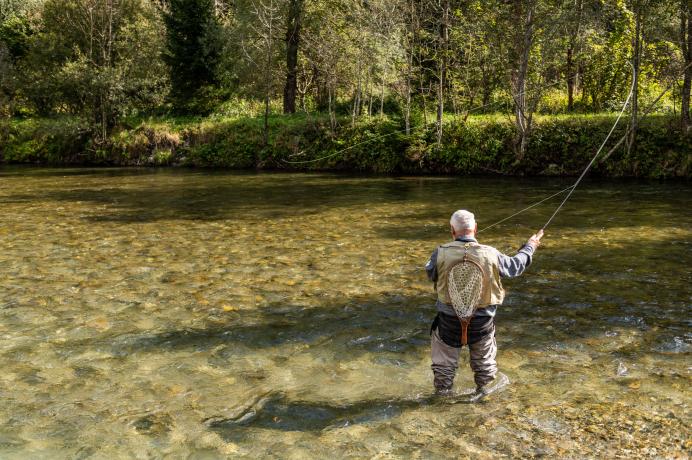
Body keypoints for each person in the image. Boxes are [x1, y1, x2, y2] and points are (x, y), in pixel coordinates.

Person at [425, 209, 543, 395]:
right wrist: (530, 246)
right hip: (482, 322)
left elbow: (431, 273)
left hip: (448, 321)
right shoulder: (491, 253)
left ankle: (441, 400)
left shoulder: (439, 252)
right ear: (475, 229)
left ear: (452, 230)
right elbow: (516, 266)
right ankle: (484, 400)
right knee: (485, 370)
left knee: (443, 371)